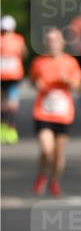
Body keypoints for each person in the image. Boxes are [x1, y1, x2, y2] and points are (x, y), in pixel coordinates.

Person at [29, 28, 81, 197]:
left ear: (62, 43)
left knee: (59, 153)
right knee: (47, 150)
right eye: (50, 40)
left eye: (56, 40)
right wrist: (37, 84)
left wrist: (69, 81)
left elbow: (78, 87)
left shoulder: (70, 62)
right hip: (43, 112)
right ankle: (42, 176)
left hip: (63, 114)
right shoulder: (39, 62)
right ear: (45, 43)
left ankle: (54, 181)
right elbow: (32, 81)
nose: (53, 43)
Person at [1, 14, 28, 144]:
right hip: (7, 76)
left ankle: (9, 129)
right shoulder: (16, 39)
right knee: (6, 103)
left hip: (12, 76)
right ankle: (6, 128)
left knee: (9, 103)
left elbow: (23, 54)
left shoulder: (18, 39)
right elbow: (24, 54)